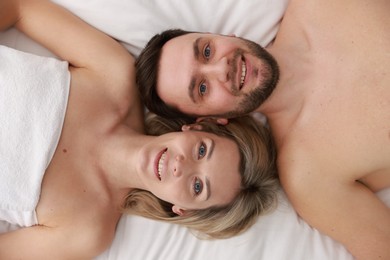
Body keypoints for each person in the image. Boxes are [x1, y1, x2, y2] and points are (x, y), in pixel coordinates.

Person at [0, 0, 278, 259]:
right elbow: (19, 7)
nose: (182, 165)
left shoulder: (86, 232)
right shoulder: (114, 74)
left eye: (197, 186)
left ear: (183, 210)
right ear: (194, 127)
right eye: (202, 150)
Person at [135, 0, 390, 259]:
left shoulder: (319, 5)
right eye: (202, 88)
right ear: (210, 120)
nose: (222, 68)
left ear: (224, 36)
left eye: (207, 51)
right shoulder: (309, 176)